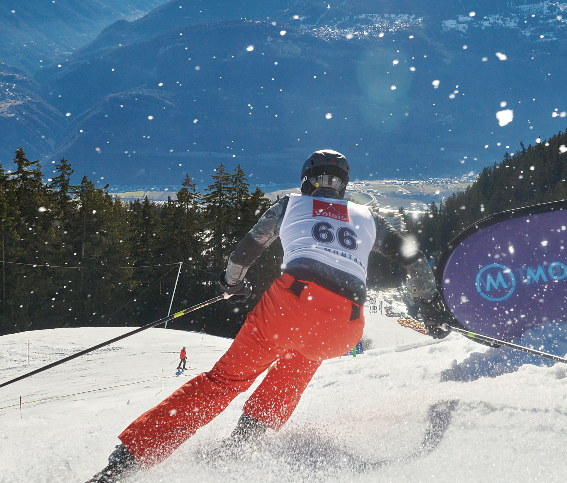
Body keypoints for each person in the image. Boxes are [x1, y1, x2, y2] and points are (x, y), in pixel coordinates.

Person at [86, 149, 453, 483]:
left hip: (292, 305)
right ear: (343, 186)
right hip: (345, 324)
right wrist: (431, 306)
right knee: (297, 365)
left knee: (224, 382)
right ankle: (242, 448)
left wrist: (232, 284)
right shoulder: (369, 216)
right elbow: (413, 258)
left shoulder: (290, 205)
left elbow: (247, 249)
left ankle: (123, 465)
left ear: (306, 180)